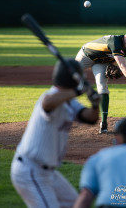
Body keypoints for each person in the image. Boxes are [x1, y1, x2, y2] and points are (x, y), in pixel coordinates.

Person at [10, 58, 100, 208]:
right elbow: (48, 103)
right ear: (75, 80)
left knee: (76, 204)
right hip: (30, 170)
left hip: (48, 173)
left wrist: (95, 104)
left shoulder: (69, 102)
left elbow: (90, 118)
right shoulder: (51, 97)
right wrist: (78, 90)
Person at [75, 29, 126, 134]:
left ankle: (104, 122)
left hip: (101, 62)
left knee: (102, 87)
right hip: (87, 55)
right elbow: (122, 65)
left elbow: (114, 60)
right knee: (71, 77)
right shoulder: (115, 41)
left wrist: (112, 67)